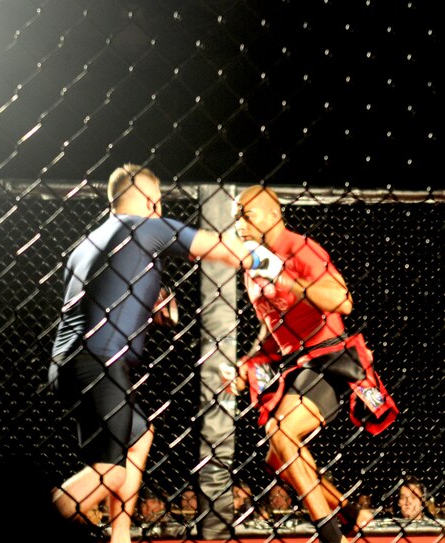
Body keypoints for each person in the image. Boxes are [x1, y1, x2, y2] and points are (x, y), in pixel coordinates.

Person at [48, 165, 274, 543]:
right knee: (111, 471)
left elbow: (98, 299)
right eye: (160, 202)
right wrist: (269, 262)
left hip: (69, 364)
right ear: (152, 200)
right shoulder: (147, 226)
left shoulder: (87, 243)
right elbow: (220, 249)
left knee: (140, 436)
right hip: (101, 365)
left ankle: (120, 537)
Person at [224, 185, 399, 543]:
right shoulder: (252, 265)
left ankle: (332, 537)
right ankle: (350, 513)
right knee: (277, 458)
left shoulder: (299, 248)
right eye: (235, 215)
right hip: (297, 364)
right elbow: (272, 324)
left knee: (282, 432)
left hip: (330, 357)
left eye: (246, 213)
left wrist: (287, 277)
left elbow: (342, 300)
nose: (238, 222)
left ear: (273, 215)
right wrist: (248, 362)